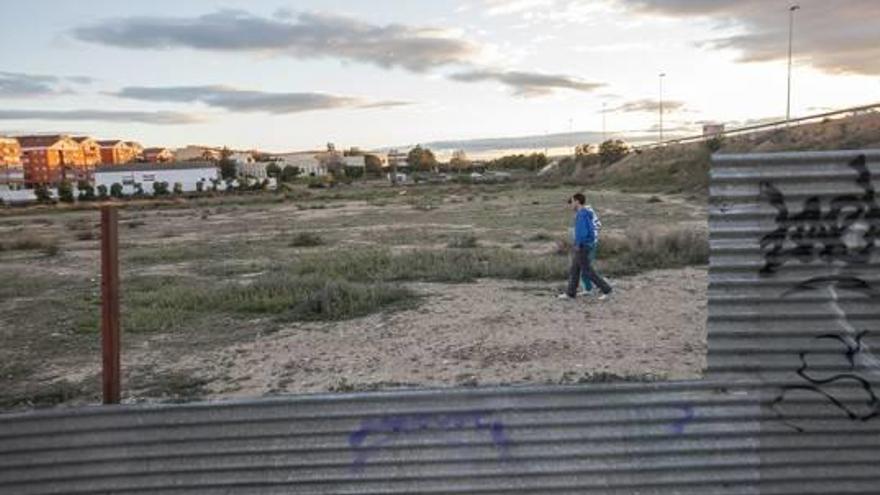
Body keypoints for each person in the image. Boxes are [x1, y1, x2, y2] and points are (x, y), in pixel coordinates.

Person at [559, 193, 612, 300]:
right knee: (574, 269)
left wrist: (579, 244)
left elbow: (582, 233)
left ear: (577, 201)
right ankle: (571, 293)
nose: (571, 204)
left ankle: (606, 289)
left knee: (587, 271)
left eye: (573, 201)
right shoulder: (585, 213)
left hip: (582, 246)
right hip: (584, 245)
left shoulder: (582, 214)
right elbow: (591, 231)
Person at [580, 204, 602, 295]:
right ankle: (593, 287)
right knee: (586, 268)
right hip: (587, 244)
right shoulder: (584, 211)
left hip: (590, 244)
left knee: (586, 268)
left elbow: (598, 225)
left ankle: (594, 288)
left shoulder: (586, 211)